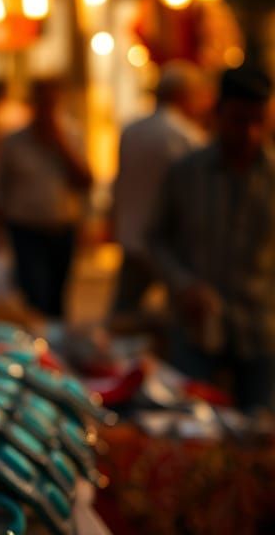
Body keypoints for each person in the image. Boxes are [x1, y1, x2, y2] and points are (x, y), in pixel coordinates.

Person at [151, 64, 275, 413]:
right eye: (239, 121)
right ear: (218, 114)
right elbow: (156, 238)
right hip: (195, 330)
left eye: (258, 121)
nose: (249, 133)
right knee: (196, 430)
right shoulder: (187, 172)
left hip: (261, 332)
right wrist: (183, 284)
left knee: (259, 441)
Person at [110, 61, 210, 319]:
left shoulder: (131, 130)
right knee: (177, 320)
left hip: (132, 236)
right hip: (170, 246)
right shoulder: (187, 137)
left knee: (124, 315)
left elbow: (120, 185)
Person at [0, 79, 91, 318]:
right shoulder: (13, 141)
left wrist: (61, 144)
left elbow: (86, 180)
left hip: (62, 227)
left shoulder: (72, 134)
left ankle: (55, 345)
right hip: (26, 228)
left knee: (58, 296)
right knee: (34, 294)